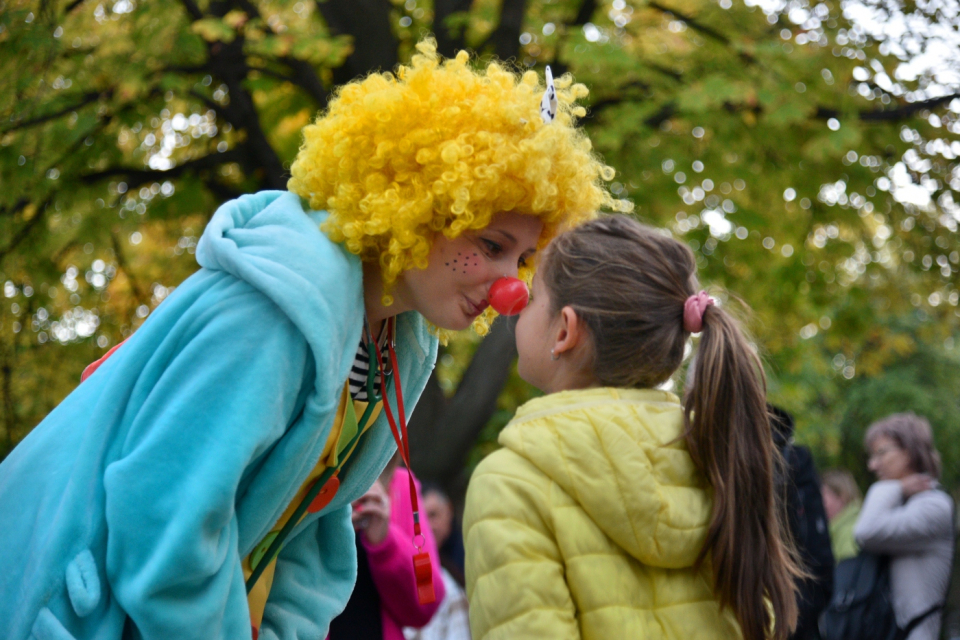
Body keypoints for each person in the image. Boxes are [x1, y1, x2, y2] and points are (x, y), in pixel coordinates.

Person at [0, 39, 618, 640]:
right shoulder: (268, 314)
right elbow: (165, 520)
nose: (512, 288)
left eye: (524, 258)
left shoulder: (390, 340)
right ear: (417, 205)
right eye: (491, 247)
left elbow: (312, 531)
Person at [463, 215, 801, 640]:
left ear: (565, 330)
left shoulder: (511, 483)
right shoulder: (715, 455)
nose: (515, 302)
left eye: (534, 297)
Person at [854, 412, 954, 640]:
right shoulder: (903, 502)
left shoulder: (935, 506)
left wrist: (893, 488)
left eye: (881, 453)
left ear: (909, 451)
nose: (873, 465)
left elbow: (866, 532)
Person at [329, 455, 446, 640]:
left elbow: (427, 597)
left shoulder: (401, 484)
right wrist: (331, 526)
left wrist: (386, 543)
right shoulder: (312, 478)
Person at [770, 406, 834, 640]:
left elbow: (815, 545)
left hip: (789, 606)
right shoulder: (795, 458)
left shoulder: (795, 460)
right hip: (792, 605)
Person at [404, 486, 472, 640]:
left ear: (449, 510)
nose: (427, 526)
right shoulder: (424, 565)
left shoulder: (470, 545)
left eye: (433, 515)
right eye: (420, 519)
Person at [821, 469, 862, 562]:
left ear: (842, 496)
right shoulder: (839, 528)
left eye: (822, 497)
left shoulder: (850, 531)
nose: (818, 504)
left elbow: (848, 573)